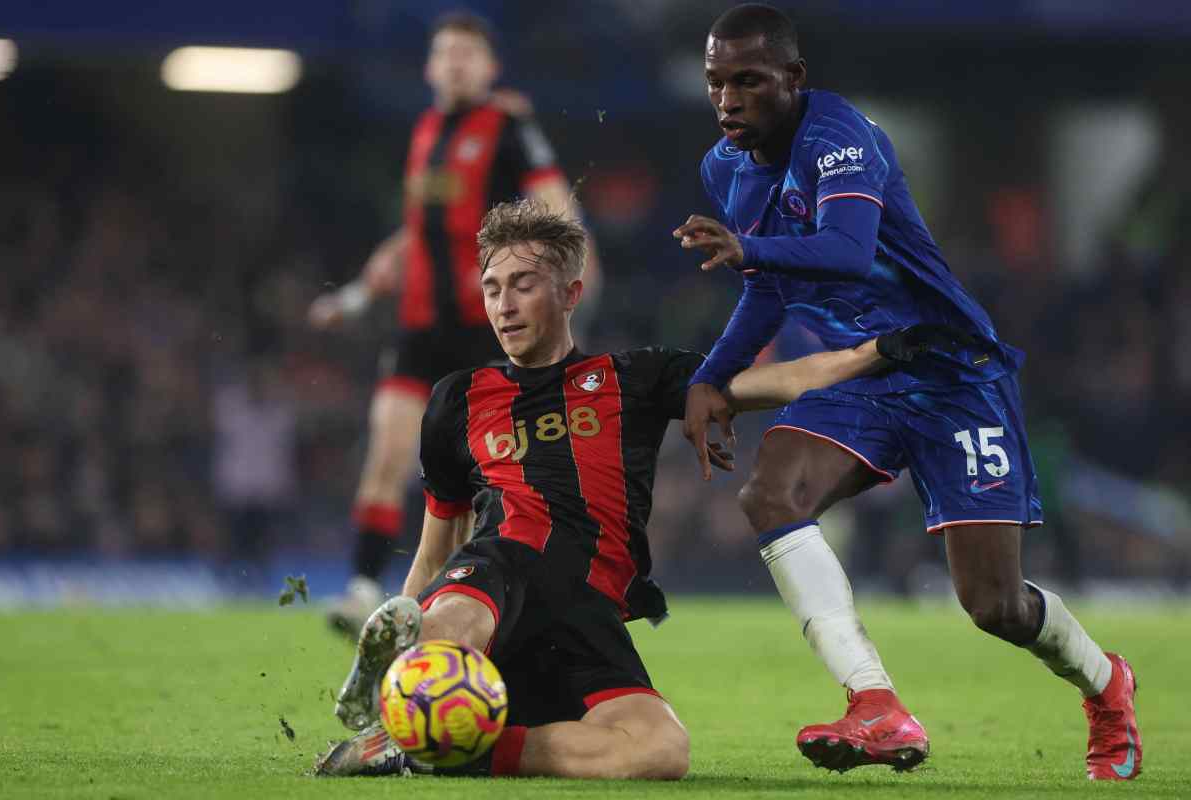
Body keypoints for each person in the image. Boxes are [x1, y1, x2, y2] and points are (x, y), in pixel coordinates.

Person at [313, 198, 962, 780]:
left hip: (587, 612)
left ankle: (465, 751)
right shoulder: (457, 399)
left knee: (660, 752)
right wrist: (404, 630)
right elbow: (437, 546)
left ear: (570, 294)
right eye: (491, 288)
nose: (503, 305)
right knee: (453, 618)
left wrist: (878, 350)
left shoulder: (637, 378)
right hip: (497, 570)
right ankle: (404, 705)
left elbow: (776, 381)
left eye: (522, 285)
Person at [673, 3, 1140, 780]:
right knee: (769, 493)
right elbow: (768, 287)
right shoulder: (725, 168)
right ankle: (875, 704)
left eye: (748, 81)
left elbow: (849, 252)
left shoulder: (839, 137)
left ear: (793, 79)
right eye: (717, 81)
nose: (728, 99)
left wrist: (748, 246)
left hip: (954, 372)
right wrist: (710, 377)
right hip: (868, 369)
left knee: (995, 607)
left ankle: (1107, 684)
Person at [307, 12, 598, 637]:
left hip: (485, 327)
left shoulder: (509, 126)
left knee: (484, 471)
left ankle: (489, 588)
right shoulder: (427, 131)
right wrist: (357, 295)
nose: (457, 63)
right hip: (419, 326)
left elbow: (553, 202)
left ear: (490, 68)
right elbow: (417, 234)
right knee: (387, 450)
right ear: (430, 67)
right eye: (447, 54)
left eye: (469, 54)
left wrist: (563, 269)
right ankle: (361, 590)